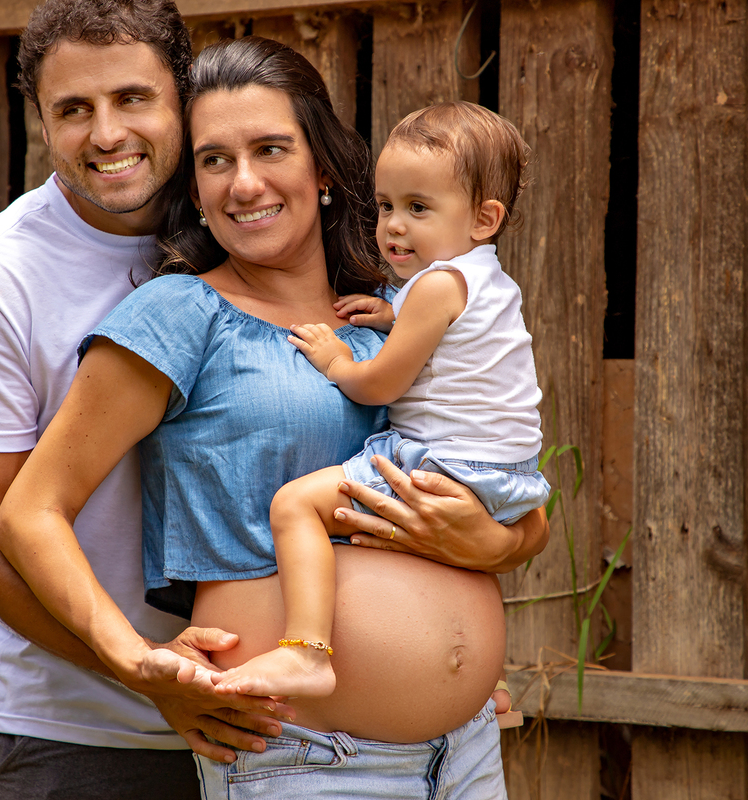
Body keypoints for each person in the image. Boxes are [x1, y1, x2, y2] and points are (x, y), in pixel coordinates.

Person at [0, 37, 548, 799]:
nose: (243, 182)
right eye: (215, 160)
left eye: (270, 149)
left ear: (322, 168)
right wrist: (132, 659)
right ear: (193, 186)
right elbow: (29, 514)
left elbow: (493, 468)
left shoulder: (384, 315)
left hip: (467, 750)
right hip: (300, 755)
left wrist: (502, 541)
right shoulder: (182, 313)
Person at [0, 1, 290, 796]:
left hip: (284, 731)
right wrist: (141, 673)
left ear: (182, 98)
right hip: (76, 739)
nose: (107, 133)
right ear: (43, 123)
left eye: (132, 99)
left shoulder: (257, 225)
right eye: (73, 110)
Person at [213, 101, 550, 699]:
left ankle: (307, 653)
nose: (394, 225)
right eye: (388, 205)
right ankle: (480, 678)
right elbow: (453, 339)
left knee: (294, 506)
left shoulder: (437, 287)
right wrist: (396, 313)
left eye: (418, 208)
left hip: (444, 462)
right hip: (510, 477)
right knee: (430, 542)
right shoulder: (487, 281)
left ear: (484, 218)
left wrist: (338, 362)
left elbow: (380, 385)